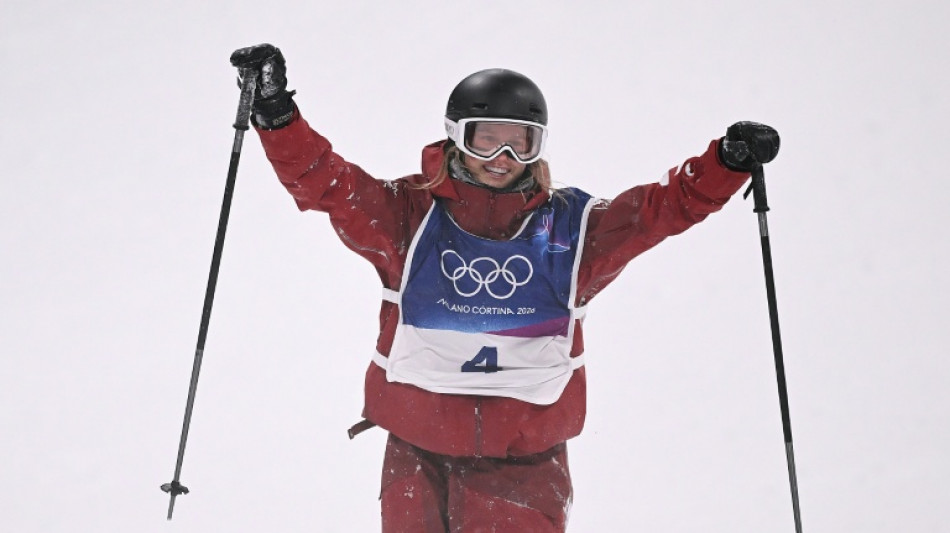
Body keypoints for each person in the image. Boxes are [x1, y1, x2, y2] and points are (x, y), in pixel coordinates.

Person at [230, 44, 780, 532]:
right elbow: (326, 182)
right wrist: (278, 116)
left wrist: (724, 166)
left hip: (524, 461)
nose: (502, 160)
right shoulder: (408, 217)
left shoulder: (572, 231)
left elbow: (659, 211)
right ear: (454, 138)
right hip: (418, 451)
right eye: (485, 141)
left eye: (520, 144)